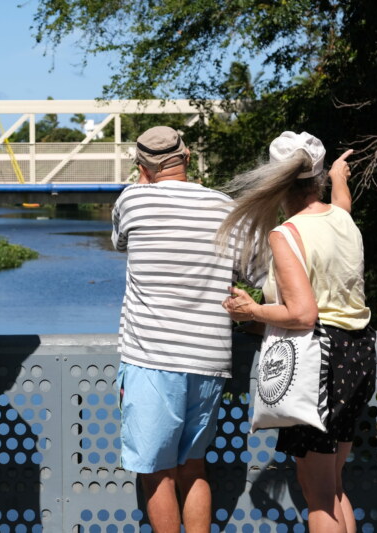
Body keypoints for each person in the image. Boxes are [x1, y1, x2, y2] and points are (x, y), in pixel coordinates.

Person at [219, 132, 374, 533]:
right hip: (357, 354)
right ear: (318, 178)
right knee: (333, 485)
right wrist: (338, 176)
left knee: (317, 493)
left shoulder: (286, 234)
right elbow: (342, 202)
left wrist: (251, 310)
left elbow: (302, 314)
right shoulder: (341, 219)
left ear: (277, 181)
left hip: (319, 363)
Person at [112, 126, 261, 533]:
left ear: (142, 166)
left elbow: (121, 243)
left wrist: (143, 182)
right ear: (188, 156)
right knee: (194, 467)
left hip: (152, 358)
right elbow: (256, 273)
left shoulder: (132, 199)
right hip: (210, 358)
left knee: (156, 471)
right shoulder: (225, 207)